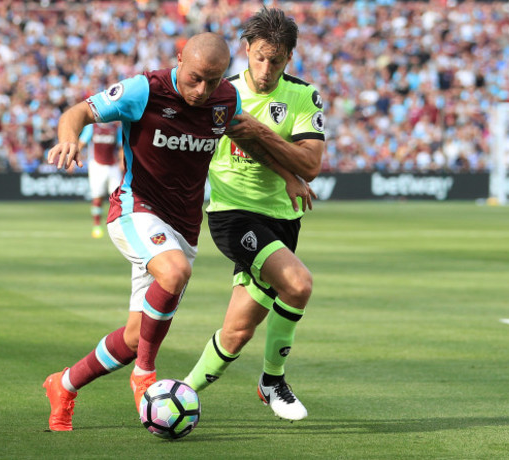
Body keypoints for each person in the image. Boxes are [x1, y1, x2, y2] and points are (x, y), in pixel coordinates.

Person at [41, 32, 251, 432]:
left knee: (137, 336)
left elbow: (245, 133)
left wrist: (289, 175)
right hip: (136, 209)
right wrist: (68, 140)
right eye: (195, 78)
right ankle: (145, 375)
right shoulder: (144, 89)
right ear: (179, 60)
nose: (203, 90)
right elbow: (78, 113)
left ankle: (63, 385)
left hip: (185, 226)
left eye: (214, 80)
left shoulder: (227, 100)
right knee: (174, 274)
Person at [183, 8, 326, 421]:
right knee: (298, 284)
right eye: (260, 57)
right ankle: (273, 381)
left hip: (283, 219)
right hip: (232, 214)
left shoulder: (303, 96)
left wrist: (259, 133)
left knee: (238, 331)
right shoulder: (222, 93)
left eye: (276, 60)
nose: (266, 69)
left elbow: (311, 166)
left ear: (289, 58)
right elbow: (258, 146)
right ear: (246, 50)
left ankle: (178, 393)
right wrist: (285, 164)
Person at [77, 121, 123, 238]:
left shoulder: (116, 128)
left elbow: (121, 146)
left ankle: (118, 225)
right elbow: (81, 143)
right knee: (97, 197)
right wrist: (74, 159)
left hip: (113, 165)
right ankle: (96, 225)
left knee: (118, 197)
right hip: (96, 165)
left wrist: (122, 161)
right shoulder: (92, 127)